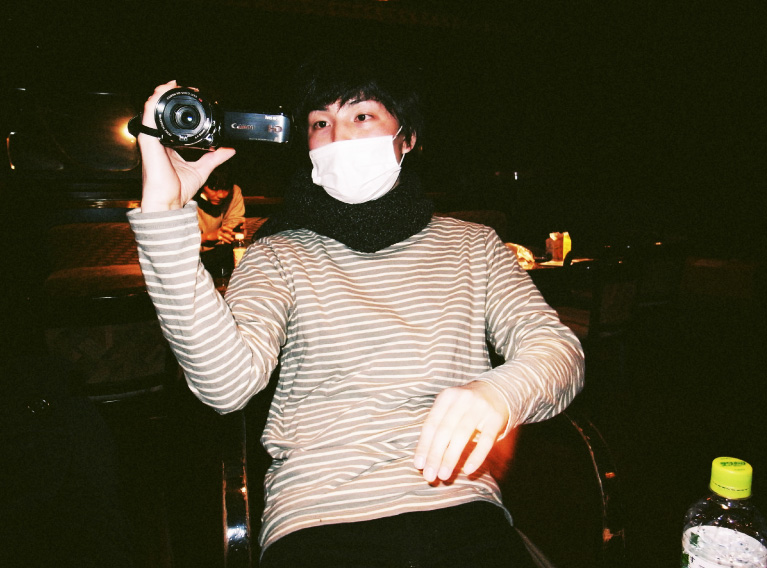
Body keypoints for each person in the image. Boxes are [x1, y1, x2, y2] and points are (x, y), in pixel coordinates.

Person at [128, 50, 584, 567]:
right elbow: (225, 386)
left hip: (458, 505)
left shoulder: (473, 245)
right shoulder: (278, 251)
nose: (339, 138)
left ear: (407, 137)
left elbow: (558, 351)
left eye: (362, 116)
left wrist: (498, 393)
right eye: (320, 123)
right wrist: (164, 211)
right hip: (317, 513)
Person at [193, 164, 245, 275]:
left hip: (220, 254)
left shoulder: (234, 192)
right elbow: (178, 241)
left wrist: (234, 232)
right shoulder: (187, 196)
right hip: (191, 256)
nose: (221, 195)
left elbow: (235, 223)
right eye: (214, 188)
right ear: (202, 184)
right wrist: (208, 237)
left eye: (226, 188)